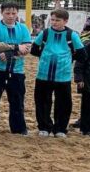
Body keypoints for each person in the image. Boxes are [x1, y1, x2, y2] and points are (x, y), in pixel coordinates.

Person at [31, 8, 84, 138]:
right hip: (43, 74)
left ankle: (60, 129)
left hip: (63, 76)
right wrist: (45, 57)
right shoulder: (45, 33)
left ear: (65, 21)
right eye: (53, 20)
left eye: (57, 20)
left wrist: (67, 59)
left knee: (63, 103)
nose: (54, 22)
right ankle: (44, 127)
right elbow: (34, 50)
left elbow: (82, 54)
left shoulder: (72, 35)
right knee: (42, 102)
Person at [0, 2, 33, 136]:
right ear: (2, 13)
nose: (10, 16)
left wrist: (10, 53)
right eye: (7, 13)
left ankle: (19, 130)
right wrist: (15, 47)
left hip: (17, 71)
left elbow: (27, 48)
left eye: (13, 13)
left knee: (17, 102)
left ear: (17, 13)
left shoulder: (23, 28)